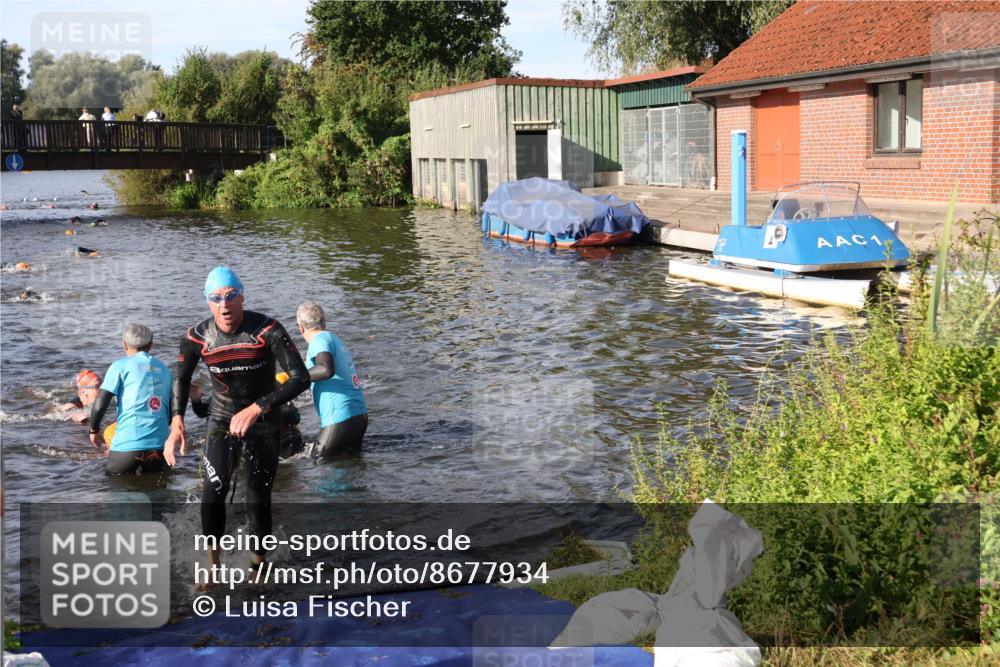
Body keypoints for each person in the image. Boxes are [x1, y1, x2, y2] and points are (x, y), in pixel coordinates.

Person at [165, 267, 309, 584]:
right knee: (213, 491)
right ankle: (213, 568)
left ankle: (258, 566)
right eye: (216, 299)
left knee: (258, 495)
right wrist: (176, 421)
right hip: (221, 416)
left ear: (242, 297)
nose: (224, 305)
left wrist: (260, 406)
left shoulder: (267, 330)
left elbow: (301, 378)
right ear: (208, 302)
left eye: (231, 297)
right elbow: (181, 377)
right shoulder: (196, 337)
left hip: (264, 418)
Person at [89, 324, 172, 475]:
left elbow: (100, 403)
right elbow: (170, 414)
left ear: (125, 344)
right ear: (151, 344)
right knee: (158, 492)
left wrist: (93, 430)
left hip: (127, 447)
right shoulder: (164, 369)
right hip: (160, 448)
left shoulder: (119, 366)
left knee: (110, 488)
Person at [296, 303, 368, 460]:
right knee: (351, 467)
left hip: (340, 418)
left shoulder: (318, 340)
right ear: (324, 321)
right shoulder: (334, 338)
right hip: (358, 416)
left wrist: (295, 378)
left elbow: (325, 369)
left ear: (300, 327)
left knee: (319, 461)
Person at [188, 373, 305, 460]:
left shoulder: (269, 386)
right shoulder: (226, 393)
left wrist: (259, 411)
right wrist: (196, 400)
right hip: (251, 448)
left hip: (286, 444)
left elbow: (294, 417)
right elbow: (204, 411)